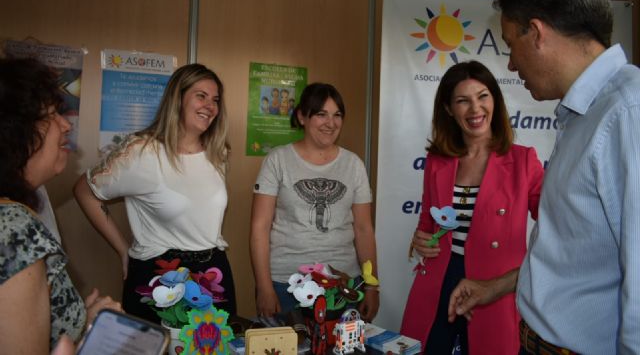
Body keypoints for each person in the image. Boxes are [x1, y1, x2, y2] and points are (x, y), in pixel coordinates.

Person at [447, 0, 640, 354]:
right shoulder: (583, 116)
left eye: (510, 45)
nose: (512, 63)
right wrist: (496, 286)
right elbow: (577, 254)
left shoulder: (627, 114)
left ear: (535, 32)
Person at [74, 63, 237, 323]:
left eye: (215, 100)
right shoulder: (142, 152)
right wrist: (122, 250)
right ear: (178, 99)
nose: (211, 106)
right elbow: (85, 191)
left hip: (212, 272)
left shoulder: (218, 152)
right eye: (201, 96)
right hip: (159, 276)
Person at [399, 61, 543, 354]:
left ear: (495, 100)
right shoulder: (437, 161)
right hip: (438, 281)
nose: (475, 109)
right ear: (449, 110)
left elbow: (557, 224)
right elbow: (427, 224)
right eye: (463, 101)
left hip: (492, 286)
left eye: (483, 96)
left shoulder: (524, 160)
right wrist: (420, 240)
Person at [0, 58, 120, 352]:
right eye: (51, 115)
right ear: (13, 132)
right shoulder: (13, 231)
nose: (66, 125)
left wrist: (83, 323)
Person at [250, 82, 379, 322]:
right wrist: (264, 287)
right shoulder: (277, 160)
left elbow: (363, 229)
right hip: (286, 283)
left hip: (342, 284)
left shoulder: (354, 165)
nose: (331, 123)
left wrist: (371, 286)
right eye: (321, 114)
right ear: (302, 116)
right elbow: (260, 227)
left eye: (337, 115)